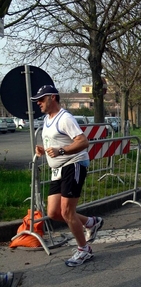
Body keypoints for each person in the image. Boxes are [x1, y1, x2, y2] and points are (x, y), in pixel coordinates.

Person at [31, 85, 104, 267]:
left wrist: (61, 150)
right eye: (37, 100)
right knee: (54, 213)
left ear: (53, 98)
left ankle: (84, 250)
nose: (38, 103)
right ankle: (90, 222)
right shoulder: (48, 119)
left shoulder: (65, 118)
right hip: (58, 170)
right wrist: (44, 150)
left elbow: (83, 141)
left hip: (74, 164)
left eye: (41, 99)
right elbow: (55, 143)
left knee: (66, 211)